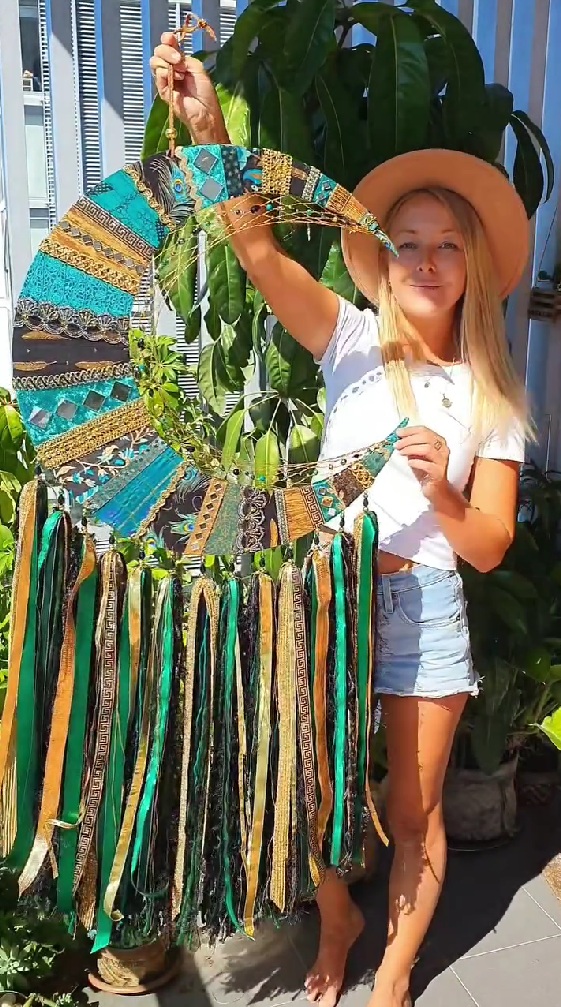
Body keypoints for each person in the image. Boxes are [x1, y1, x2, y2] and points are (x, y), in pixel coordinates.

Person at [150, 33, 531, 1007]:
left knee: (412, 808)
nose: (428, 260)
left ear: (472, 264)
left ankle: (393, 972)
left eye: (448, 244)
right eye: (409, 241)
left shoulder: (491, 395)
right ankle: (339, 916)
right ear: (383, 257)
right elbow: (257, 247)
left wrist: (443, 492)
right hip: (326, 595)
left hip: (425, 612)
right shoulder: (348, 339)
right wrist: (207, 127)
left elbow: (489, 547)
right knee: (301, 783)